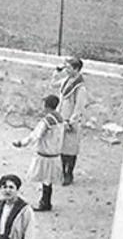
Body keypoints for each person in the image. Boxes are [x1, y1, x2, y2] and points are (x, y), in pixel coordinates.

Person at [12, 94, 64, 212]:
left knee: (45, 180)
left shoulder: (46, 121)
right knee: (48, 180)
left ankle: (45, 203)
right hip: (55, 154)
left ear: (47, 106)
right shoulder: (60, 119)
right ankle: (46, 202)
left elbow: (35, 136)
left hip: (45, 155)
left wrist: (21, 143)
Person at [53, 56, 86, 185]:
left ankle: (69, 173)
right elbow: (53, 83)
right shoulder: (66, 80)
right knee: (62, 147)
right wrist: (57, 71)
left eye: (69, 67)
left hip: (71, 122)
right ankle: (61, 171)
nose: (66, 69)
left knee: (71, 149)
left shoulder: (80, 87)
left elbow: (79, 107)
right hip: (62, 118)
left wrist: (71, 122)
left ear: (76, 69)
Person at [0, 174, 36, 238]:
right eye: (5, 187)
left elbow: (29, 233)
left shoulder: (25, 210)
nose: (7, 191)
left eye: (11, 187)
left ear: (17, 190)